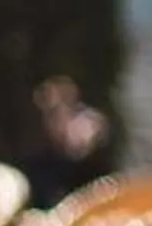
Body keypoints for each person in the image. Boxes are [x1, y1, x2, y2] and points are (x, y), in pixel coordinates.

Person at [23, 75, 113, 208]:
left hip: (91, 192)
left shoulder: (88, 124)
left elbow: (92, 137)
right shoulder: (39, 159)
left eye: (54, 111)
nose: (49, 119)